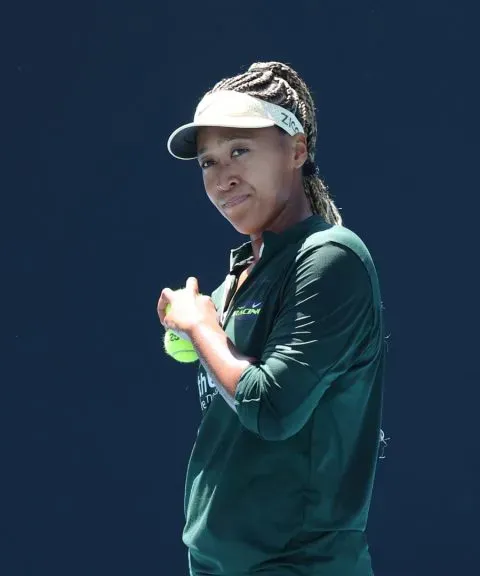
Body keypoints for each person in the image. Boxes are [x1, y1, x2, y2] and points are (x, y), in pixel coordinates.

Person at [157, 62, 386, 575]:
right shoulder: (246, 269)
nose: (223, 177)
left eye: (240, 150)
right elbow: (225, 360)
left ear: (297, 150)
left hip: (296, 565)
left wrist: (201, 328)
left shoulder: (331, 256)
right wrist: (187, 333)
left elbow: (272, 408)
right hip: (217, 564)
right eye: (208, 163)